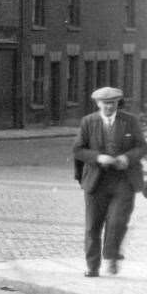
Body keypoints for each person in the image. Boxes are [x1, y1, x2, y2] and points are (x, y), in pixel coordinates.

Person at [73, 86, 146, 277]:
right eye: (104, 104)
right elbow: (78, 150)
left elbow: (141, 147)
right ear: (97, 104)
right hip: (97, 181)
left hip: (124, 180)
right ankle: (92, 266)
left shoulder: (129, 121)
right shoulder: (88, 122)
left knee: (117, 221)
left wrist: (127, 158)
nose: (108, 108)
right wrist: (97, 157)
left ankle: (112, 256)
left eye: (112, 104)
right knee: (93, 226)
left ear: (117, 104)